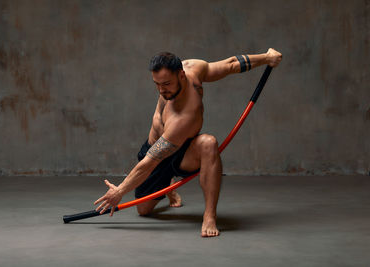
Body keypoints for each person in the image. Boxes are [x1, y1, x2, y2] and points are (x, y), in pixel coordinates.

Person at [94, 48, 282, 237]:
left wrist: (119, 191)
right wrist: (266, 57)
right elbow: (231, 64)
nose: (161, 90)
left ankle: (209, 215)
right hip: (155, 149)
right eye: (157, 84)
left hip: (181, 153)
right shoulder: (181, 76)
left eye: (166, 84)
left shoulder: (184, 117)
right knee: (143, 210)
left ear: (182, 75)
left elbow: (147, 164)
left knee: (209, 144)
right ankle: (168, 185)